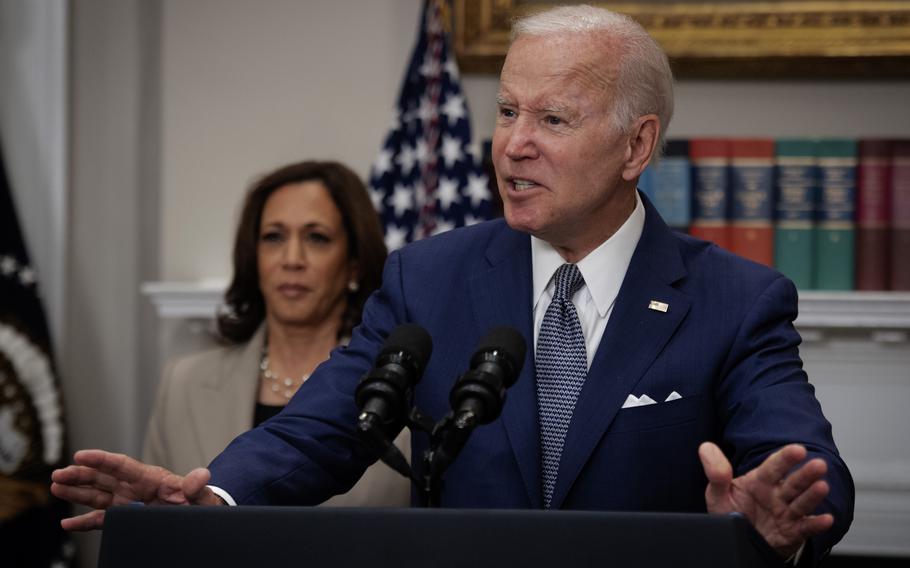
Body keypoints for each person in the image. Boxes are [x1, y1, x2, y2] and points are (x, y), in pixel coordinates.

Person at [51, 6, 853, 565]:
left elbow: (807, 470)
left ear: (636, 145)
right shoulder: (427, 278)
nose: (512, 146)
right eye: (506, 112)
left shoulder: (736, 301)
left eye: (553, 120)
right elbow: (320, 432)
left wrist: (778, 524)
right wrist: (210, 503)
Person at [142, 160, 409, 506]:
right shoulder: (183, 384)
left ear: (354, 265)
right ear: (253, 257)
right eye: (273, 237)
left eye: (316, 238)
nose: (291, 259)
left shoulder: (398, 386)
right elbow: (155, 525)